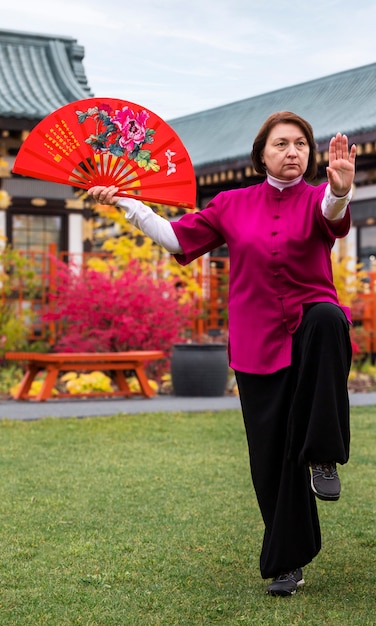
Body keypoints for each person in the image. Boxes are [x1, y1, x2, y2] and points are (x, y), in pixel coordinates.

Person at [89, 110, 356, 597]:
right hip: (257, 342)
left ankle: (323, 456)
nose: (292, 152)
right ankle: (287, 562)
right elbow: (177, 238)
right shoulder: (231, 204)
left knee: (328, 317)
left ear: (311, 156)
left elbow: (333, 218)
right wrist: (127, 203)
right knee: (269, 455)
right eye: (282, 144)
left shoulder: (320, 198)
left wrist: (340, 190)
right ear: (262, 155)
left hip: (311, 334)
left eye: (301, 144)